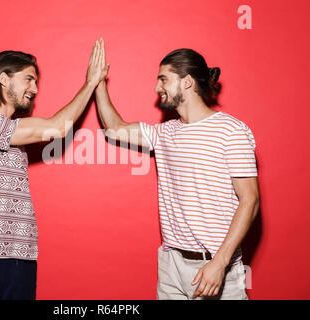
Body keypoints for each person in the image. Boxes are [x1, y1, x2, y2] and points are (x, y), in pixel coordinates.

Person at [95, 43, 259, 300]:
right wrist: (98, 82)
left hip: (216, 268)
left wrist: (219, 263)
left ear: (187, 82)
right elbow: (115, 128)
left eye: (163, 79)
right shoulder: (164, 133)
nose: (157, 88)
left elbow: (250, 201)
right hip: (171, 264)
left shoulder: (230, 131)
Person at [0, 38, 108, 300]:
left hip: (22, 258)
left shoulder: (11, 131)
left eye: (36, 81)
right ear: (4, 79)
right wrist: (90, 83)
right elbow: (57, 128)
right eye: (28, 79)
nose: (35, 88)